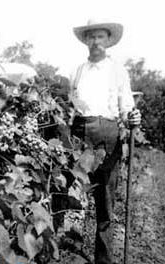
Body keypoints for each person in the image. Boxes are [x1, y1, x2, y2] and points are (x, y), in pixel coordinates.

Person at [69, 19, 141, 264]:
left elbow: (127, 107)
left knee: (105, 201)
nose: (96, 42)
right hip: (78, 134)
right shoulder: (77, 70)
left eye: (100, 37)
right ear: (86, 41)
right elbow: (71, 104)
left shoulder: (118, 70)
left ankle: (104, 259)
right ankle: (62, 247)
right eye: (92, 37)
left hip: (107, 136)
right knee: (70, 191)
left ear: (108, 41)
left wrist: (132, 116)